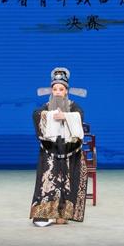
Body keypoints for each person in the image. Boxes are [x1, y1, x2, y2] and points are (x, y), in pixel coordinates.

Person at [30, 67, 87, 227]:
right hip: (51, 150)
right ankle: (46, 214)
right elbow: (36, 115)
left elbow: (79, 116)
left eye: (61, 89)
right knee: (49, 182)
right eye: (55, 89)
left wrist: (66, 117)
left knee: (67, 182)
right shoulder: (46, 107)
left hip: (70, 150)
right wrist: (49, 116)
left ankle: (63, 214)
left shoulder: (74, 107)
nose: (57, 93)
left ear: (66, 91)